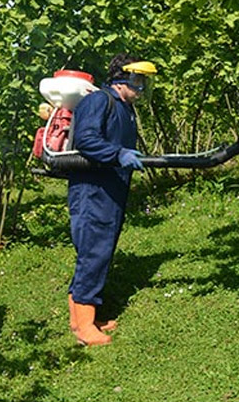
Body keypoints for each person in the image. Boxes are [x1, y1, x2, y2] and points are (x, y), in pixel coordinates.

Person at [66, 53, 157, 346]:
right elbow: (87, 140)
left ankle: (84, 317)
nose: (142, 87)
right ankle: (84, 327)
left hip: (111, 189)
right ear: (123, 78)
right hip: (92, 190)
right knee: (93, 251)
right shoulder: (98, 101)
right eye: (138, 80)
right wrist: (118, 154)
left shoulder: (124, 108)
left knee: (100, 251)